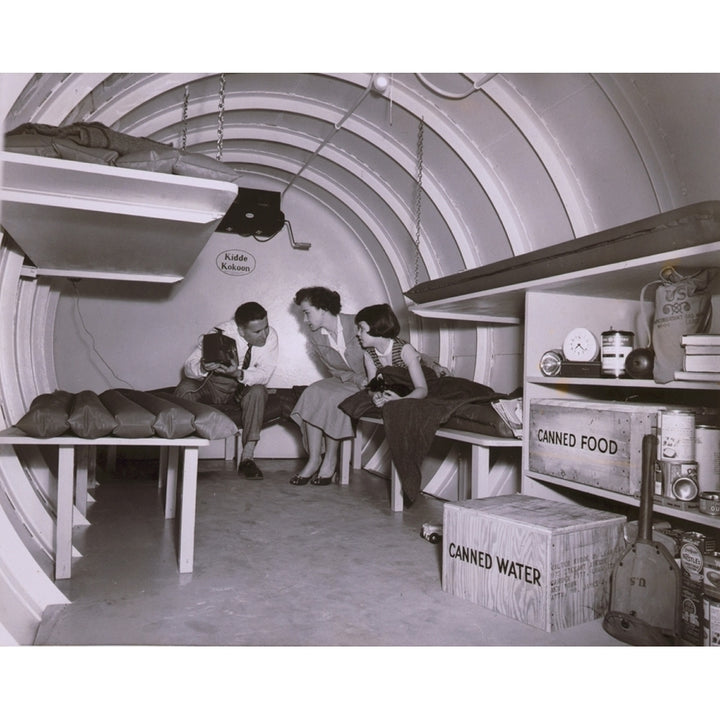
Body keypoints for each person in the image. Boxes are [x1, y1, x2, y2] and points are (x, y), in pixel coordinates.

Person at [174, 301, 279, 480]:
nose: (264, 335)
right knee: (185, 389)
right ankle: (180, 458)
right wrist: (204, 366)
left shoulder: (271, 337)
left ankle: (247, 458)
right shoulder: (218, 333)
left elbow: (264, 374)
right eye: (257, 332)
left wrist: (238, 372)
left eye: (266, 327)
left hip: (241, 388)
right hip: (212, 386)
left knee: (259, 391)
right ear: (240, 331)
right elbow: (188, 369)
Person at [289, 287, 367, 486]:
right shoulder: (316, 336)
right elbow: (335, 370)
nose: (305, 320)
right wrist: (355, 379)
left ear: (323, 309)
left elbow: (394, 345)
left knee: (332, 399)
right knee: (312, 392)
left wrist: (429, 364)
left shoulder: (358, 322)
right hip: (350, 380)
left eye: (307, 313)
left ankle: (330, 460)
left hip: (372, 380)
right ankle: (314, 459)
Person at [354, 303, 429, 406]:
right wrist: (375, 396)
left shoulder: (404, 350)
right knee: (355, 403)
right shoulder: (369, 355)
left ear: (376, 328)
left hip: (414, 391)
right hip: (394, 391)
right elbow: (372, 387)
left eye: (361, 329)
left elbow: (422, 389)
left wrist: (401, 400)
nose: (358, 334)